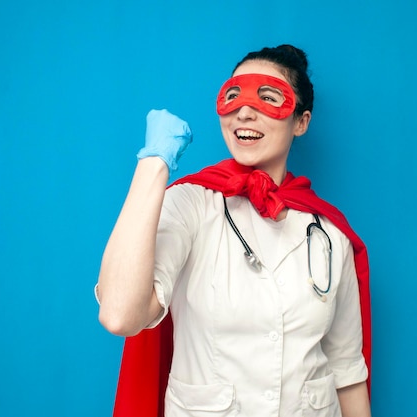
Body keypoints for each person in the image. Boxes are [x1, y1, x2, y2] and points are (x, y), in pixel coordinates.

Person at [96, 44, 372, 417]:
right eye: (233, 96)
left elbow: (346, 372)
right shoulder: (189, 204)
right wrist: (153, 165)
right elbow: (120, 315)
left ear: (301, 121)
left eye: (269, 98)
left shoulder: (329, 232)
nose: (245, 111)